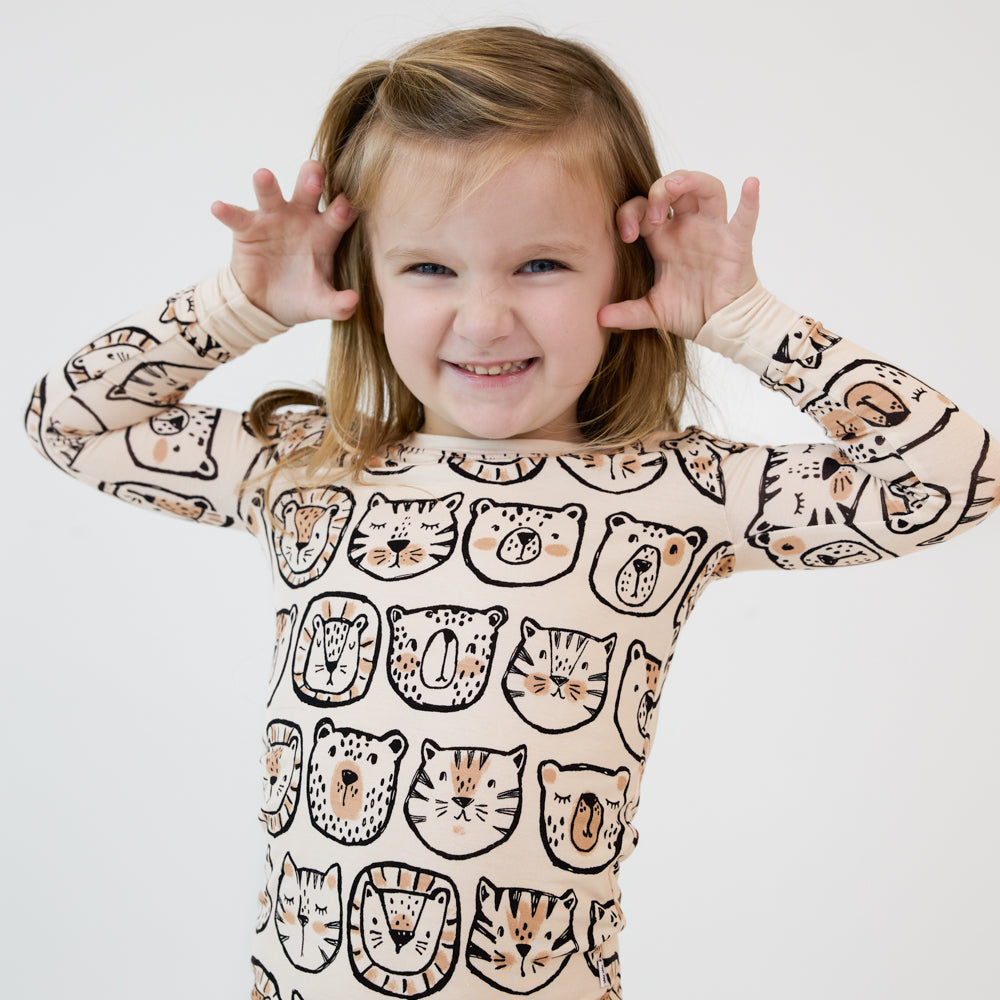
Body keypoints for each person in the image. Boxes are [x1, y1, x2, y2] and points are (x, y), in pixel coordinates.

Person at [25, 24, 998, 1000]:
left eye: (538, 266)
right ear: (362, 277)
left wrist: (746, 321)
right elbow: (66, 423)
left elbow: (954, 478)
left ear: (626, 269)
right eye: (430, 268)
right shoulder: (308, 469)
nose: (484, 317)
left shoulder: (679, 492)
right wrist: (242, 305)